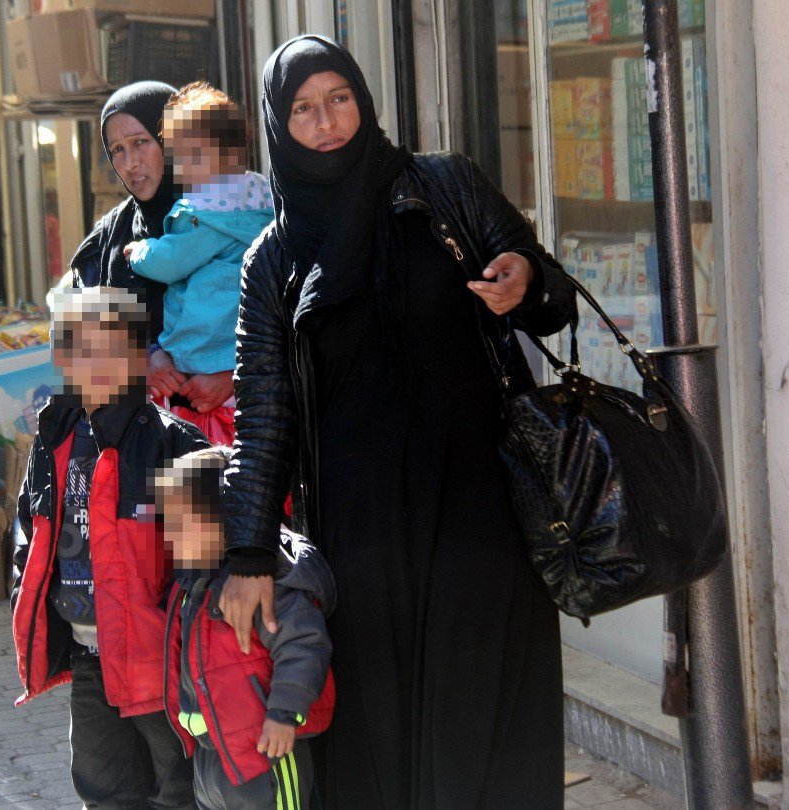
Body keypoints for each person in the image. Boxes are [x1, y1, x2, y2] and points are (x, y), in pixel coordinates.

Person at [219, 35, 577, 809]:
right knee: (380, 732)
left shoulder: (444, 187)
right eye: (304, 109)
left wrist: (528, 279)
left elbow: (550, 294)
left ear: (364, 98)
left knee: (487, 708)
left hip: (480, 504)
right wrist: (248, 553)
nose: (327, 122)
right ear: (282, 126)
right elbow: (265, 411)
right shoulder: (273, 260)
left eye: (339, 98)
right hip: (362, 534)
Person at [10, 286, 208, 809]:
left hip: (157, 660)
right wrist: (23, 594)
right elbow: (29, 529)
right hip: (87, 655)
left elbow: (207, 549)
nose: (97, 364)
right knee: (104, 788)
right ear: (61, 358)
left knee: (180, 787)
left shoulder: (172, 444)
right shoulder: (54, 439)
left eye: (114, 349)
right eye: (81, 349)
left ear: (141, 359)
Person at [159, 446, 335, 810]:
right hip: (213, 755)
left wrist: (284, 713)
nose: (171, 538)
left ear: (227, 520)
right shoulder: (194, 585)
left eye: (182, 524)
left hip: (266, 750)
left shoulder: (263, 586)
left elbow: (303, 644)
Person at [70, 81, 234, 419]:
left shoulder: (229, 215)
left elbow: (282, 323)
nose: (130, 163)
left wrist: (231, 377)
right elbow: (76, 344)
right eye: (117, 150)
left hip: (238, 439)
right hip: (142, 448)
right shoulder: (107, 242)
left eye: (141, 142)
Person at [125, 82, 274, 444]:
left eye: (141, 142)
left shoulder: (206, 213)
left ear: (230, 153)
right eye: (179, 155)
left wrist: (139, 253)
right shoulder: (260, 197)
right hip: (237, 355)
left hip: (208, 359)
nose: (185, 168)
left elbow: (171, 260)